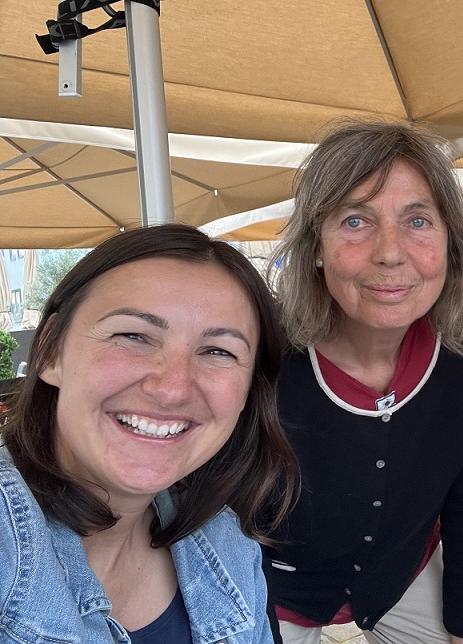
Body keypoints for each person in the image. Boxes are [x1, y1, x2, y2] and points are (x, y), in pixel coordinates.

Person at [264, 119, 463, 644]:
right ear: (316, 245)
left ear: (451, 240)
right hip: (271, 587)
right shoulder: (263, 354)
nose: (390, 252)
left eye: (418, 220)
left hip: (400, 572)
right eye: (355, 221)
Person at [0, 224, 298, 643]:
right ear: (51, 351)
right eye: (133, 335)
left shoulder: (230, 546)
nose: (172, 389)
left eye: (218, 351)